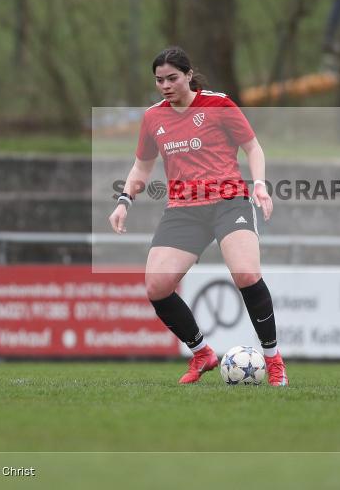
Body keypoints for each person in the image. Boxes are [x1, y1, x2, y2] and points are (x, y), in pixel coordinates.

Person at [108, 47, 288, 386]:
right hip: (184, 210)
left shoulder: (219, 105)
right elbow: (142, 166)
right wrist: (124, 200)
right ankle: (202, 353)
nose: (165, 85)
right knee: (156, 286)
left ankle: (273, 359)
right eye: (159, 80)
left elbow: (253, 147)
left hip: (228, 202)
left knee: (247, 274)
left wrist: (260, 186)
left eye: (172, 78)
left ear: (189, 75)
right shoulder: (153, 118)